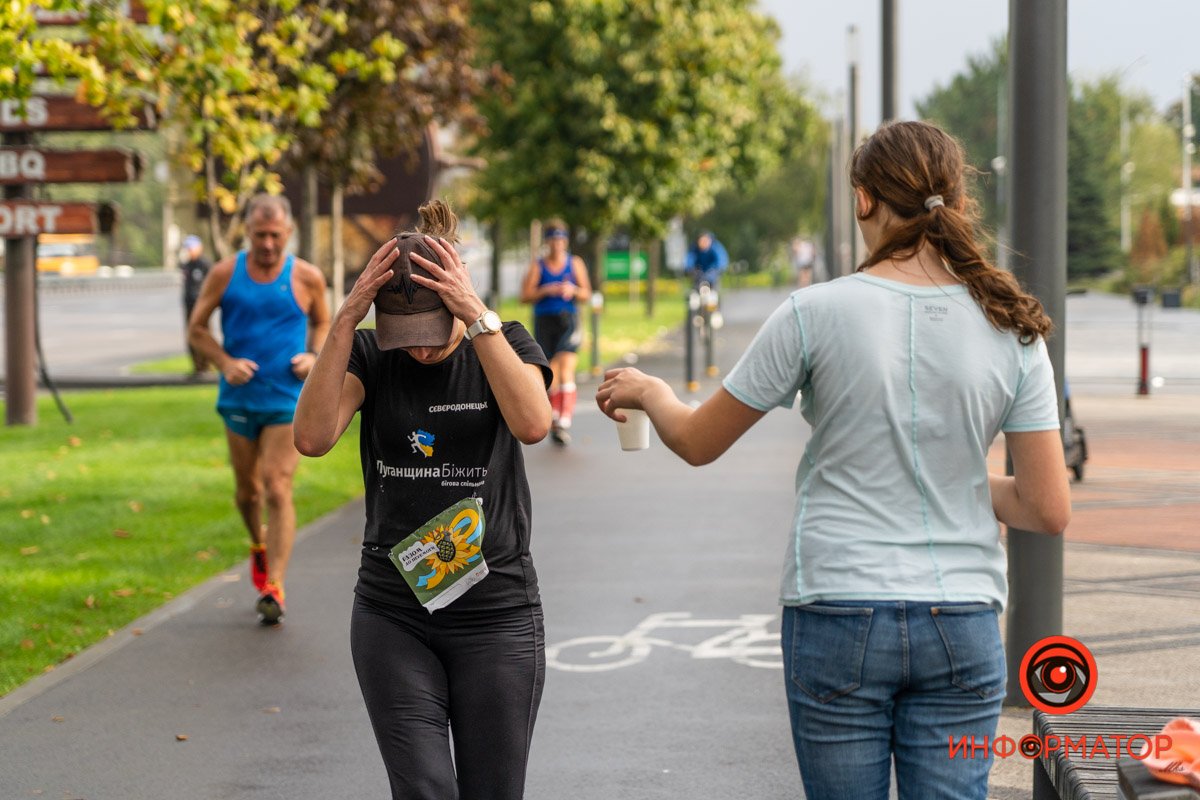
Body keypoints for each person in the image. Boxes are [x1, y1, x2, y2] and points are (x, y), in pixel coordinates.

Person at [596, 120, 1071, 800]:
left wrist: (653, 391)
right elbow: (1045, 508)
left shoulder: (813, 312)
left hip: (839, 607)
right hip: (962, 617)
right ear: (958, 202)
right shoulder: (1010, 323)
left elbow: (698, 442)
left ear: (863, 201)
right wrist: (952, 475)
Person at [293, 200, 552, 799]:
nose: (420, 349)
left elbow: (533, 423)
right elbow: (311, 437)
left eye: (433, 330)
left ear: (460, 295)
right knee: (425, 790)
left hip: (497, 616)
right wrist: (345, 318)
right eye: (403, 334)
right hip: (393, 614)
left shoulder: (505, 341)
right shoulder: (368, 355)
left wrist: (477, 317)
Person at [188, 194, 330, 625]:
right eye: (259, 235)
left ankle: (275, 586)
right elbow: (197, 328)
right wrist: (225, 362)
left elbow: (325, 322)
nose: (268, 244)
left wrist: (313, 356)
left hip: (287, 398)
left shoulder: (307, 276)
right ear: (247, 232)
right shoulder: (224, 273)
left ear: (288, 232)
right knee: (247, 493)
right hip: (239, 400)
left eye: (275, 235)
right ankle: (258, 544)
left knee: (277, 484)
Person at [520, 218, 591, 445]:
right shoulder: (537, 266)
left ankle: (563, 418)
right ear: (547, 243)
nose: (557, 245)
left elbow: (587, 293)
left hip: (568, 320)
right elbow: (525, 296)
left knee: (566, 364)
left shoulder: (575, 263)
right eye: (552, 240)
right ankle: (555, 417)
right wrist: (546, 289)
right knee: (551, 370)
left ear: (565, 242)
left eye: (560, 240)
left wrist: (573, 290)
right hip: (545, 320)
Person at [179, 234, 211, 377]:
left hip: (202, 306)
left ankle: (205, 366)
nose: (189, 251)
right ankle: (197, 367)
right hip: (189, 305)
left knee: (203, 334)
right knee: (190, 335)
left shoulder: (205, 264)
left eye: (191, 248)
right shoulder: (186, 265)